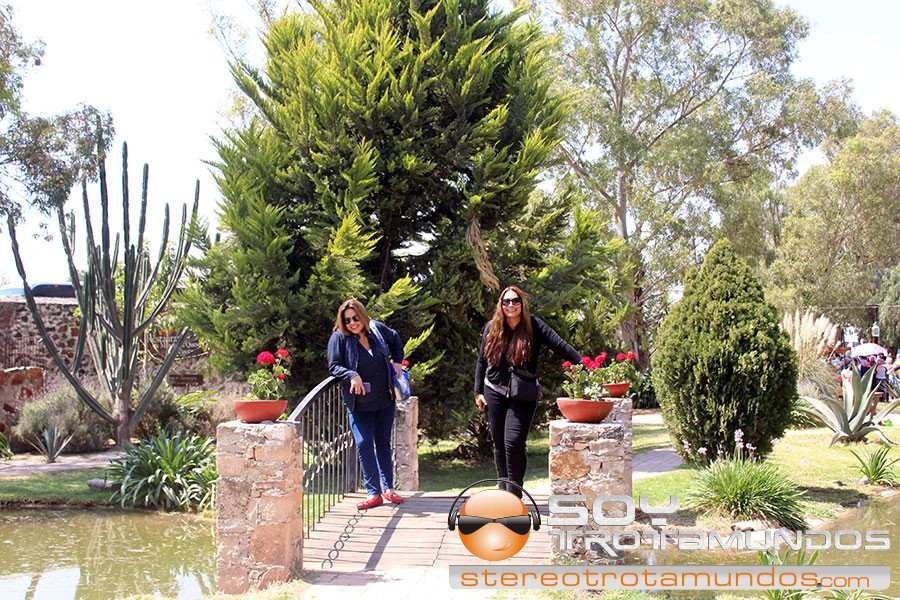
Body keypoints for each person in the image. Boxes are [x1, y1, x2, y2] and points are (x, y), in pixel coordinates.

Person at [473, 285, 582, 497]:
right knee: (499, 443)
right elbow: (481, 361)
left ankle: (514, 494)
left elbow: (560, 345)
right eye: (506, 301)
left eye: (515, 301)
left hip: (522, 392)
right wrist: (478, 392)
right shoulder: (492, 328)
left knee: (513, 442)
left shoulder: (534, 326)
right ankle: (503, 492)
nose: (511, 305)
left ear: (522, 304)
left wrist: (585, 364)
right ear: (501, 305)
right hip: (493, 390)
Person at [328, 299, 405, 510]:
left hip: (384, 399)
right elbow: (334, 366)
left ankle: (388, 489)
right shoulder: (339, 338)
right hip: (359, 403)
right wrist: (351, 375)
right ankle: (373, 492)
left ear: (362, 316)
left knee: (383, 442)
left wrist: (398, 361)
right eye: (347, 320)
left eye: (355, 318)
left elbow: (395, 339)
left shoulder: (376, 329)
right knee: (363, 443)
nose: (352, 323)